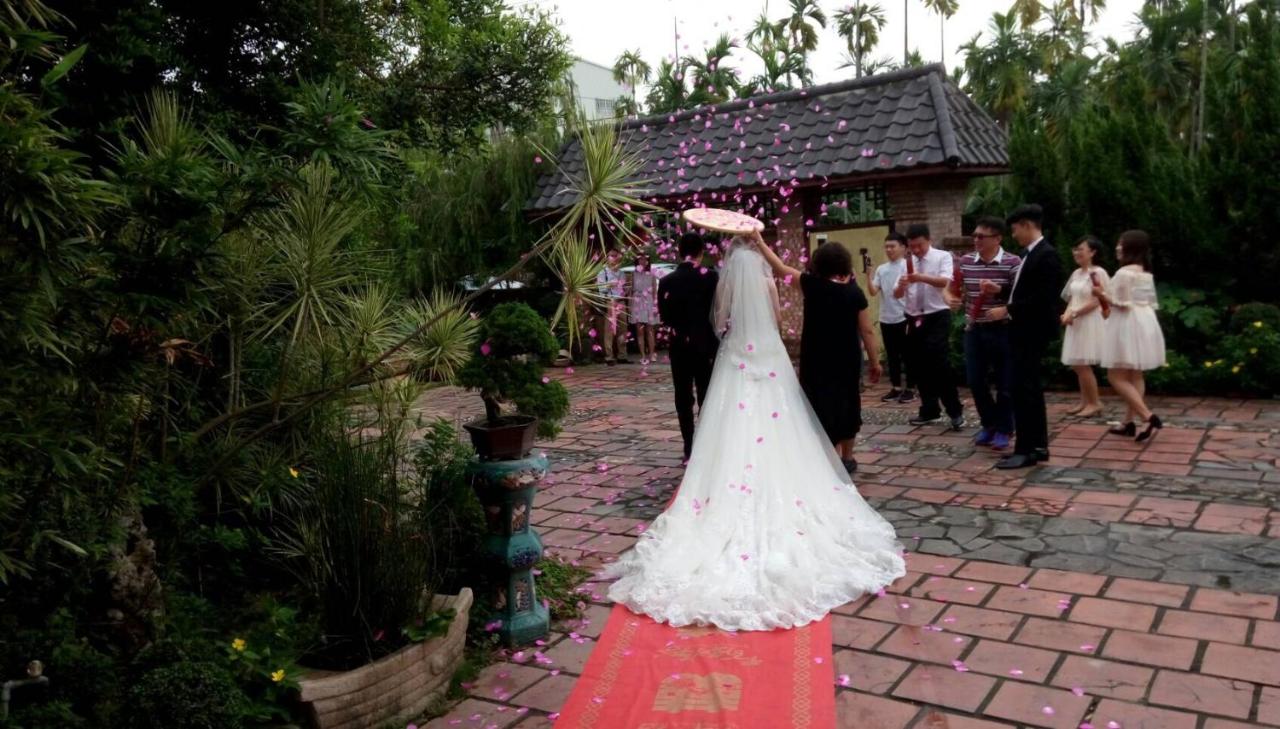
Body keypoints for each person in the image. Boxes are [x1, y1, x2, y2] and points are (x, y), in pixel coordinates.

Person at [602, 233, 906, 631]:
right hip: (769, 351)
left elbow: (721, 316)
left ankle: (724, 473)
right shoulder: (782, 283)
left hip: (737, 353)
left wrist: (729, 330)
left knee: (727, 418)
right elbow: (778, 316)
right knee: (786, 416)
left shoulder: (724, 280)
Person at [755, 236, 882, 472]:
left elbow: (781, 268)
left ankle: (828, 457)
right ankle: (848, 457)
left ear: (818, 264)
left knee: (820, 405)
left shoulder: (811, 285)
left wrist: (760, 242)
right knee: (848, 403)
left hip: (817, 360)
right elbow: (867, 330)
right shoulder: (854, 293)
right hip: (847, 360)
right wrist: (875, 362)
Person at [985, 204, 1064, 469]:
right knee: (1025, 389)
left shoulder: (1047, 256)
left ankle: (1028, 449)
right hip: (1021, 331)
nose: (1014, 234)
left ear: (1028, 225)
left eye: (1016, 229)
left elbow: (1043, 299)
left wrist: (1007, 309)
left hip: (1032, 332)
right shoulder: (1029, 254)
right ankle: (1036, 446)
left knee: (1025, 391)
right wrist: (1001, 290)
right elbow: (1023, 290)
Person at [953, 216, 1021, 452]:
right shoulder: (966, 261)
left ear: (998, 238)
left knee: (1004, 382)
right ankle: (989, 423)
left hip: (1003, 328)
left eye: (982, 236)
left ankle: (1004, 428)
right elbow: (955, 290)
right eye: (974, 236)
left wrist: (999, 291)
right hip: (975, 328)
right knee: (974, 380)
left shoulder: (1013, 262)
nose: (976, 240)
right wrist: (952, 300)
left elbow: (1019, 296)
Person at [1095, 230, 1166, 442]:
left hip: (1127, 323)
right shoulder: (1145, 272)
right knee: (1135, 375)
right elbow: (1147, 301)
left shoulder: (1124, 272)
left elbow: (1120, 302)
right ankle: (1129, 422)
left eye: (1120, 243)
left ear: (1130, 248)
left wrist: (1101, 294)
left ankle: (1147, 416)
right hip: (1145, 321)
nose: (1117, 247)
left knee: (1115, 376)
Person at [894, 223, 964, 430]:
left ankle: (954, 410)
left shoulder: (942, 257)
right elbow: (897, 294)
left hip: (937, 315)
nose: (916, 251)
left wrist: (919, 277)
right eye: (912, 247)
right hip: (913, 317)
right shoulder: (906, 263)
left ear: (928, 240)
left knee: (938, 362)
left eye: (920, 246)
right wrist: (902, 286)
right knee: (918, 365)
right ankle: (929, 409)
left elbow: (945, 281)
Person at [658, 232, 720, 462]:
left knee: (683, 398)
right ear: (702, 252)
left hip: (679, 347)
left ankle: (688, 448)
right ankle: (706, 446)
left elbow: (664, 317)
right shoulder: (712, 278)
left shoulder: (666, 282)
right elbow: (718, 312)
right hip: (706, 345)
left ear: (679, 252)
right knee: (706, 395)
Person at [1060, 236, 1110, 417]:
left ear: (1093, 252)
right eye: (1075, 249)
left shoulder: (1098, 272)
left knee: (1082, 363)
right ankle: (1084, 401)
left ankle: (1095, 402)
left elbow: (1097, 300)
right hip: (1076, 321)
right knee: (1076, 363)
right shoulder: (1076, 273)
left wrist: (1074, 313)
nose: (1076, 253)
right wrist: (1067, 313)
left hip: (1090, 321)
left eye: (1081, 249)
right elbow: (1072, 297)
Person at [869, 233, 915, 404]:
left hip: (904, 316)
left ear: (903, 247)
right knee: (892, 355)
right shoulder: (882, 269)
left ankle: (910, 388)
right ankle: (896, 387)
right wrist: (868, 275)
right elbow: (873, 291)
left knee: (908, 354)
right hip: (886, 317)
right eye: (886, 246)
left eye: (892, 246)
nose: (889, 249)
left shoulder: (908, 266)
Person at [596, 249, 629, 365]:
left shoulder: (621, 273)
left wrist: (626, 290)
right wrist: (609, 284)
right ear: (607, 258)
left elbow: (624, 289)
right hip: (610, 301)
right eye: (612, 256)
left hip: (621, 302)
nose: (614, 258)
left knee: (623, 329)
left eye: (616, 256)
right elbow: (601, 290)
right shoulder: (603, 273)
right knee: (610, 330)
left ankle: (622, 355)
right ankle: (609, 356)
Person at [630, 252, 659, 364]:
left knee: (650, 330)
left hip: (649, 302)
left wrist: (656, 305)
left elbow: (655, 291)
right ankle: (642, 355)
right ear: (637, 261)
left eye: (644, 259)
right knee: (639, 330)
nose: (642, 261)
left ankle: (652, 354)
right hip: (637, 301)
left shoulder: (651, 274)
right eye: (640, 259)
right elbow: (631, 290)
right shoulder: (633, 274)